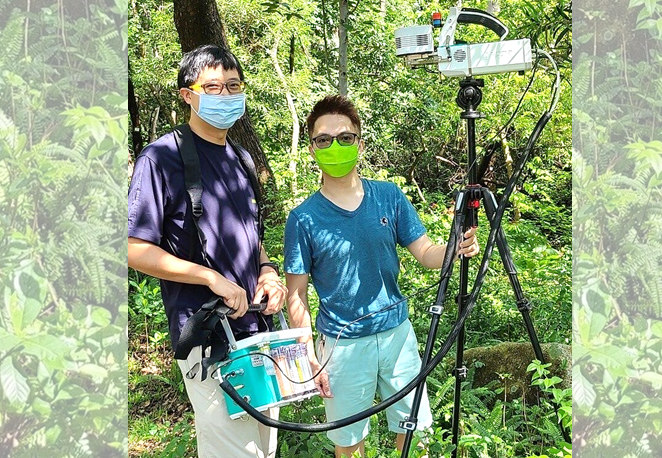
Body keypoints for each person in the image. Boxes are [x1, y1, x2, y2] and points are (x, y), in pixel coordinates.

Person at [284, 95, 480, 458]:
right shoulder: (303, 218)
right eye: (323, 139)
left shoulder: (388, 196)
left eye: (345, 137)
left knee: (414, 433)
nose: (335, 145)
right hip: (341, 346)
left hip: (397, 337)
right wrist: (306, 352)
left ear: (359, 142)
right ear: (312, 148)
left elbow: (424, 252)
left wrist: (454, 247)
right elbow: (295, 294)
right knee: (348, 443)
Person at [128, 44, 287, 458]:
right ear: (187, 94)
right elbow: (134, 248)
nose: (225, 96)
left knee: (265, 446)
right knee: (235, 452)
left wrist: (267, 271)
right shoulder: (161, 158)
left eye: (233, 87)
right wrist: (210, 278)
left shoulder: (241, 159)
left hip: (255, 332)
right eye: (212, 87)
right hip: (207, 335)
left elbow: (250, 236)